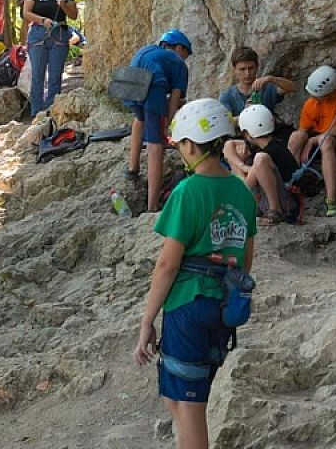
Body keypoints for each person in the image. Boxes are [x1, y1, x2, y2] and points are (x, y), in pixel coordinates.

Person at [133, 98, 256, 449]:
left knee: (189, 406)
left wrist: (147, 321)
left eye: (182, 145)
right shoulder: (241, 191)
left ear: (190, 143)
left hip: (188, 303)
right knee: (181, 397)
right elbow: (246, 260)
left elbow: (167, 265)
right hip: (224, 306)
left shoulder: (188, 191)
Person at [124, 29, 193, 212]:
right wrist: (169, 126)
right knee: (156, 144)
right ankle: (152, 206)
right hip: (154, 86)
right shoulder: (179, 63)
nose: (184, 59)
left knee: (140, 119)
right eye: (185, 54)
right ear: (180, 48)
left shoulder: (147, 50)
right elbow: (175, 97)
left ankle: (133, 168)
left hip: (129, 84)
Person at [287, 65, 336, 217]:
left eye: (317, 95)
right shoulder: (311, 104)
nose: (313, 97)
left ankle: (332, 200)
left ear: (330, 92)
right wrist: (304, 141)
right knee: (296, 136)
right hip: (318, 140)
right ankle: (290, 185)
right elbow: (303, 130)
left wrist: (313, 140)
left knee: (325, 142)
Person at [224, 104, 300, 226]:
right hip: (283, 197)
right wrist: (242, 166)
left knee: (258, 159)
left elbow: (245, 187)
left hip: (288, 204)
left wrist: (238, 168)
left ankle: (275, 210)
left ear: (247, 134)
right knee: (235, 150)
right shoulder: (274, 144)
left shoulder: (265, 155)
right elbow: (228, 146)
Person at [22, 0, 78, 116]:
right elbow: (26, 13)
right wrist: (42, 20)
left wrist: (64, 5)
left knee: (55, 74)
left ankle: (50, 110)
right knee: (38, 74)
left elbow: (73, 15)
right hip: (39, 33)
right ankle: (36, 110)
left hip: (59, 32)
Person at [218, 46, 295, 117]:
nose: (247, 73)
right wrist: (248, 114)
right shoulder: (227, 96)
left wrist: (271, 79)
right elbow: (226, 121)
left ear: (257, 66)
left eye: (251, 68)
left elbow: (291, 87)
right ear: (234, 69)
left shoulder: (268, 87)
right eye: (242, 69)